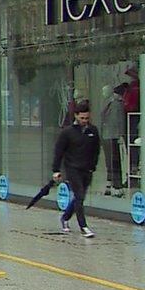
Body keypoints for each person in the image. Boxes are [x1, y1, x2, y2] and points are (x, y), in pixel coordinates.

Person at [52, 101, 101, 238]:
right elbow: (59, 152)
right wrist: (56, 170)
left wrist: (93, 165)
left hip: (87, 169)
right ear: (76, 116)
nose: (84, 121)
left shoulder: (93, 130)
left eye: (87, 118)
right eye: (82, 118)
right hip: (73, 168)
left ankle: (65, 218)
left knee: (80, 197)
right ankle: (83, 226)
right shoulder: (67, 132)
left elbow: (96, 150)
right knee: (79, 196)